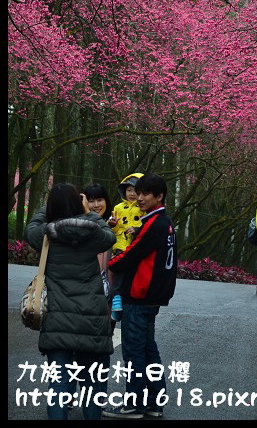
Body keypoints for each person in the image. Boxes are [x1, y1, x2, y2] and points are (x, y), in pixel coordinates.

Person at [25, 182, 115, 420]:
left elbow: (31, 227)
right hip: (92, 320)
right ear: (80, 203)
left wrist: (52, 205)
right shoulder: (94, 233)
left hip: (57, 320)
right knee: (93, 385)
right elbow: (110, 236)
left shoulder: (44, 234)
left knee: (59, 385)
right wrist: (86, 212)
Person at [103, 173, 177, 420]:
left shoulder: (153, 224)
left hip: (139, 295)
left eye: (146, 193)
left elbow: (130, 255)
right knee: (148, 350)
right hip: (152, 297)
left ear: (160, 196)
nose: (141, 197)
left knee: (134, 352)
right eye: (139, 192)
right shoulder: (165, 223)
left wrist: (108, 264)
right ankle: (155, 402)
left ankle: (134, 404)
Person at [107, 173, 144, 320]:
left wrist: (136, 230)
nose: (132, 194)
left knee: (129, 274)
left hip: (135, 245)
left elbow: (147, 226)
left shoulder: (143, 209)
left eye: (135, 190)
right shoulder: (118, 207)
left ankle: (123, 297)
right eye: (129, 190)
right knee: (119, 270)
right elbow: (114, 228)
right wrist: (113, 225)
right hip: (120, 244)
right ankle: (117, 298)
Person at [82, 183, 114, 303]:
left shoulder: (115, 224)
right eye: (91, 201)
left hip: (110, 290)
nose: (96, 205)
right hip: (86, 289)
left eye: (100, 200)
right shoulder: (80, 225)